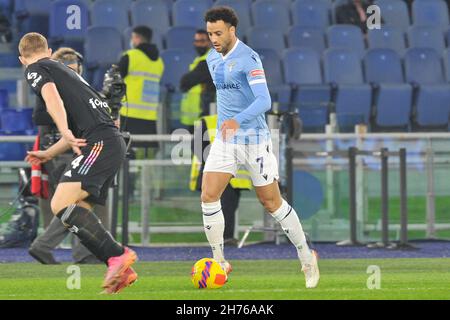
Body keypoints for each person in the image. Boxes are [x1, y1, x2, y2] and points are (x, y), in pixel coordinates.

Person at [201, 7, 320, 288]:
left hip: (254, 140)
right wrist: (227, 125)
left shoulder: (249, 58)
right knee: (208, 195)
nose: (214, 39)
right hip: (226, 140)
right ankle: (219, 261)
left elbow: (264, 101)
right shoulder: (211, 58)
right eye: (210, 34)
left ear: (232, 30)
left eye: (218, 33)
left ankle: (306, 255)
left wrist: (236, 120)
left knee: (271, 203)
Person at [19, 32, 137, 294]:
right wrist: (49, 154)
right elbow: (81, 127)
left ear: (22, 59)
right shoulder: (67, 73)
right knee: (77, 209)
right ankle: (120, 269)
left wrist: (63, 130)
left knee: (60, 204)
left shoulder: (36, 69)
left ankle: (118, 255)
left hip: (100, 144)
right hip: (105, 142)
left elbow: (52, 100)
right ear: (49, 50)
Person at [28, 47, 109, 265]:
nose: (73, 74)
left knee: (83, 202)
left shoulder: (78, 89)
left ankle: (58, 248)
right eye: (69, 70)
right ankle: (72, 251)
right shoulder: (49, 89)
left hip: (79, 151)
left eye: (76, 70)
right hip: (64, 153)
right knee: (79, 203)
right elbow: (40, 118)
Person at [190, 114, 252, 245]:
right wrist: (215, 162)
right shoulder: (210, 121)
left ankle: (225, 238)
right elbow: (197, 147)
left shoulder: (243, 122)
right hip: (216, 171)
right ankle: (221, 239)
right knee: (218, 207)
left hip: (231, 175)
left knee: (227, 207)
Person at [117, 25, 164, 150]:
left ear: (137, 38)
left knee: (126, 152)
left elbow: (115, 80)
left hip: (129, 113)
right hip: (150, 114)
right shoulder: (159, 61)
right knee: (146, 153)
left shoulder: (131, 56)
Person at [180, 29, 216, 133]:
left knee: (201, 147)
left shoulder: (209, 60)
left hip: (206, 112)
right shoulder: (199, 60)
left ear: (210, 42)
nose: (198, 44)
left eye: (202, 41)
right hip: (197, 114)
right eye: (196, 41)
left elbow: (186, 81)